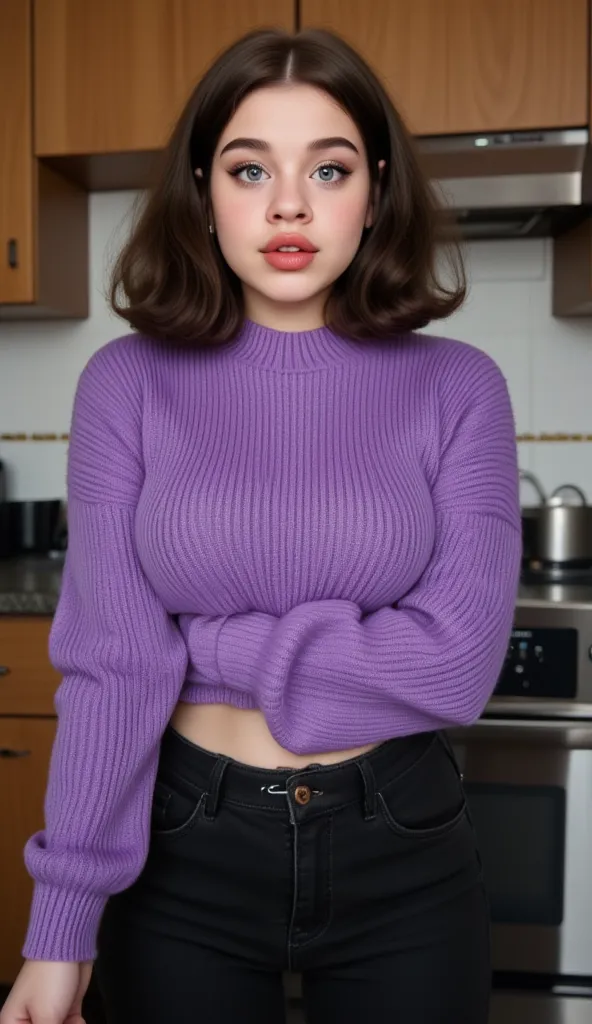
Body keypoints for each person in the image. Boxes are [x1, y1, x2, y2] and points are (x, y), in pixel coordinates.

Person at [1, 25, 522, 1024]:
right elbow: (114, 666)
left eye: (327, 169)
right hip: (182, 837)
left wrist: (203, 642)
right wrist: (59, 928)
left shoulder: (458, 385)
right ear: (203, 192)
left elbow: (455, 665)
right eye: (250, 168)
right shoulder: (127, 381)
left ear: (374, 191)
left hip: (401, 839)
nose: (288, 204)